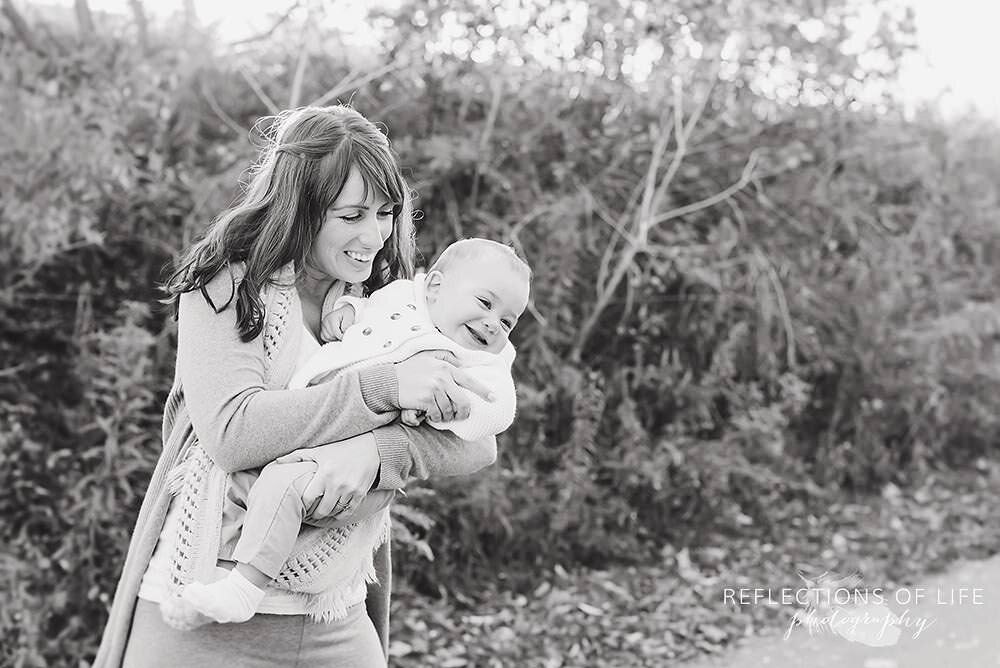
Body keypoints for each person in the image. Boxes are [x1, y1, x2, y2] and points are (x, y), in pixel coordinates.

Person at [94, 105, 504, 668]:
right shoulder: (229, 288)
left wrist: (376, 450)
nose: (375, 235)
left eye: (385, 213)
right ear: (300, 207)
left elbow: (479, 438)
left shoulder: (389, 307)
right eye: (352, 214)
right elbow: (234, 432)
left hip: (333, 618)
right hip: (200, 620)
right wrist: (381, 390)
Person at [179, 238, 531, 625]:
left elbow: (492, 422)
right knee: (252, 491)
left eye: (508, 322)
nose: (493, 324)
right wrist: (345, 313)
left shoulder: (476, 360)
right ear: (434, 287)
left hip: (354, 476)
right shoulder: (401, 298)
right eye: (485, 303)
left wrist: (445, 411)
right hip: (316, 437)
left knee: (285, 488)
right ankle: (219, 583)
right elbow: (371, 314)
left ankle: (244, 588)